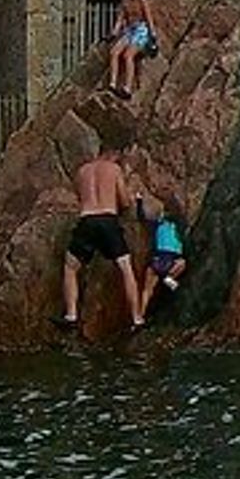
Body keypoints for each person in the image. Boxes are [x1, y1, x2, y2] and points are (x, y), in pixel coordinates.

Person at [58, 130, 143, 330]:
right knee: (126, 269)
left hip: (87, 220)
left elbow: (81, 198)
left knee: (70, 267)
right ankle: (137, 318)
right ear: (116, 153)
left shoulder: (83, 170)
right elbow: (123, 201)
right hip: (108, 220)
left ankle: (71, 315)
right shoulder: (114, 169)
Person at [134, 191, 187, 318]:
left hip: (157, 260)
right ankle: (168, 278)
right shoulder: (179, 226)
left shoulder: (158, 225)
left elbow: (142, 218)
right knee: (183, 263)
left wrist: (139, 201)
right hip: (172, 261)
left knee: (147, 290)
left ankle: (139, 317)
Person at [105, 0, 156, 100]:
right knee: (114, 52)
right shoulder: (125, 0)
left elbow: (148, 19)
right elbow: (121, 18)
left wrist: (152, 35)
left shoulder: (142, 0)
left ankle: (127, 88)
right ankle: (112, 83)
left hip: (140, 30)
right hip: (129, 29)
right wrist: (114, 32)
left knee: (128, 55)